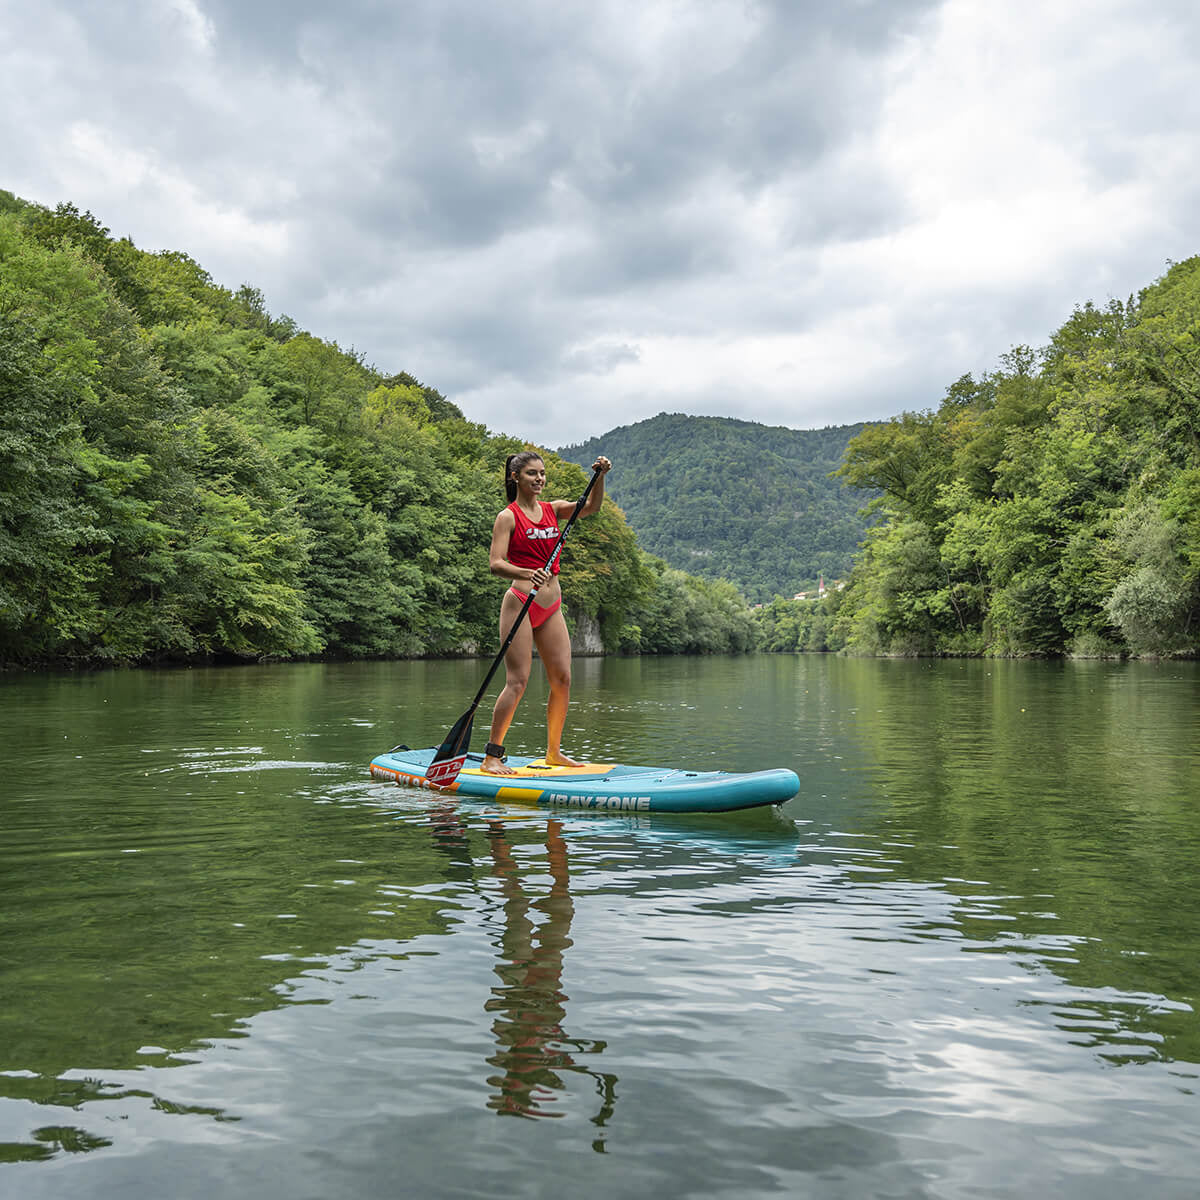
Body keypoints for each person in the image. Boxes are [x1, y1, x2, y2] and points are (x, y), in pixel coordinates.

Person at [481, 450, 611, 775]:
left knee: (563, 679)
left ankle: (553, 752)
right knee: (518, 682)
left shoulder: (553, 510)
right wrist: (526, 574)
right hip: (520, 604)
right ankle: (492, 756)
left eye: (542, 473)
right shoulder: (507, 517)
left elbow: (592, 507)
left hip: (551, 604)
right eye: (531, 474)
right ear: (516, 478)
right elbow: (496, 563)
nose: (539, 479)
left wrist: (601, 477)